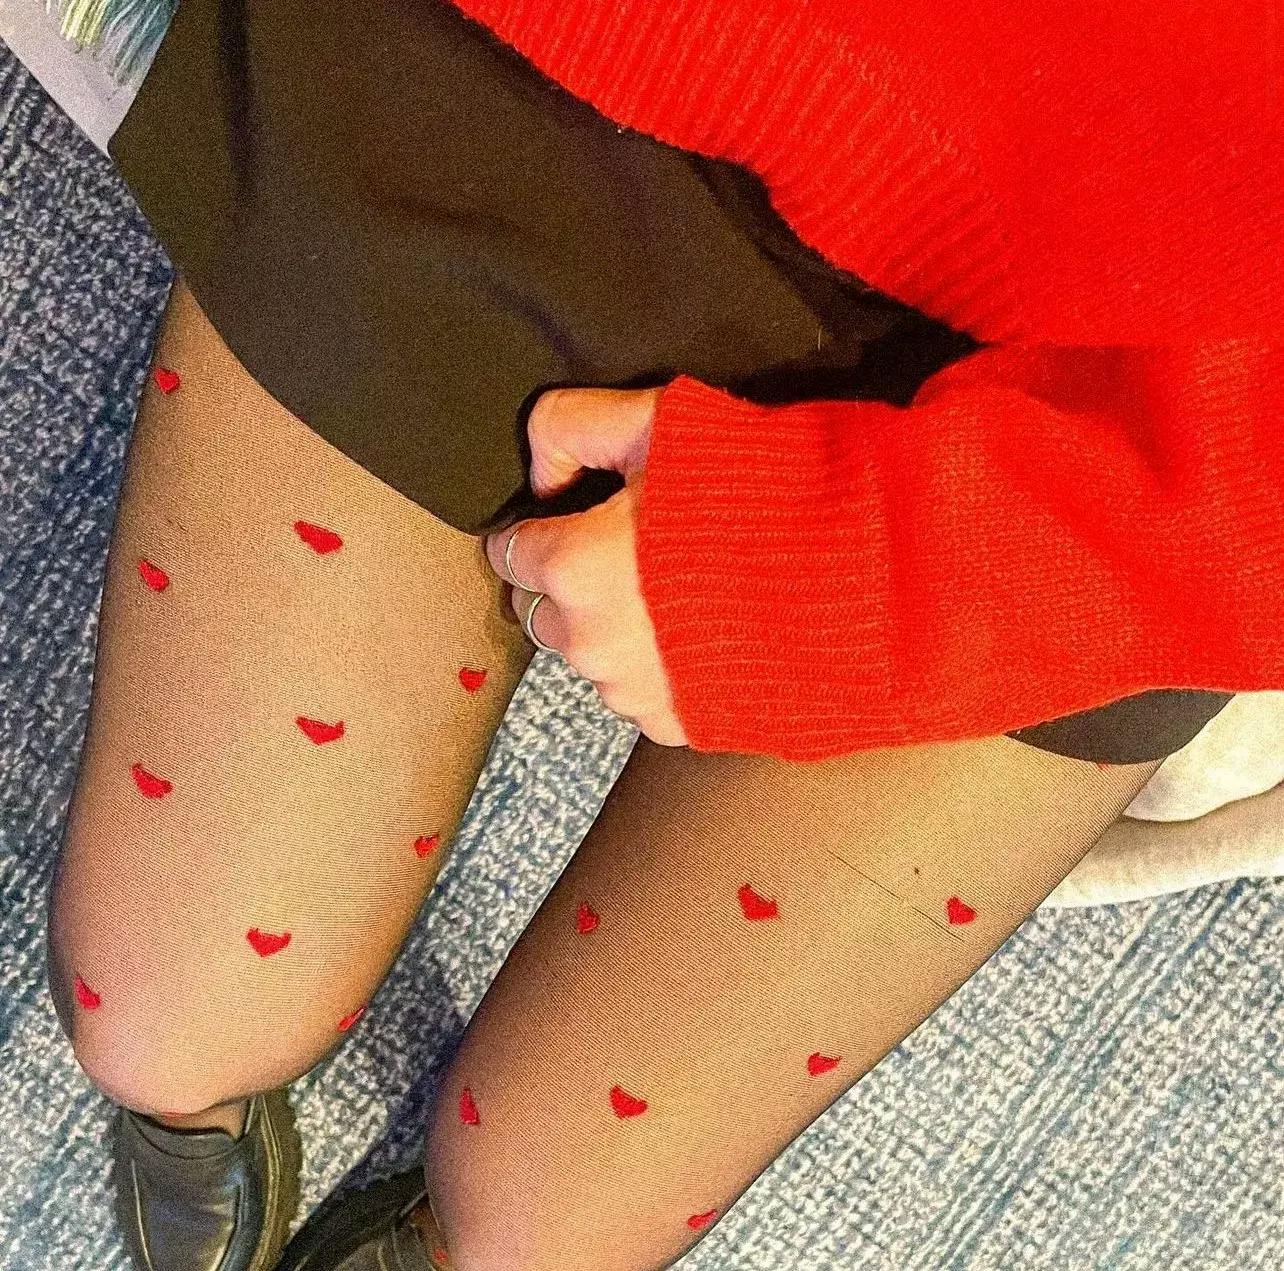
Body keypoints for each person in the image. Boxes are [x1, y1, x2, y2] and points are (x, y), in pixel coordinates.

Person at [44, 1, 1279, 1268]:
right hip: (564, 83)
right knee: (157, 1019)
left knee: (539, 1228)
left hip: (1147, 402)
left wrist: (867, 571)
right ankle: (200, 1092)